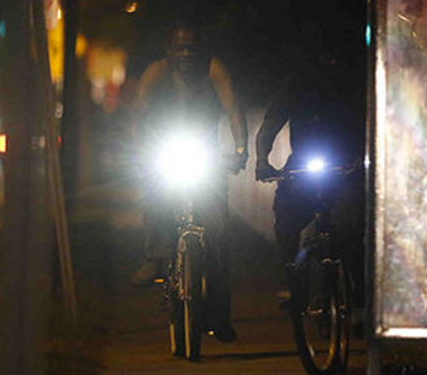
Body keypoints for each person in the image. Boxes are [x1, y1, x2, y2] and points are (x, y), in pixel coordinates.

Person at [129, 22, 248, 343]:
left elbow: (233, 108)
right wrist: (139, 151)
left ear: (201, 50)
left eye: (191, 48)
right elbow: (138, 115)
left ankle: (220, 317)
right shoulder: (156, 73)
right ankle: (155, 256)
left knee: (219, 235)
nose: (185, 54)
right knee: (156, 197)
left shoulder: (213, 70)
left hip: (205, 156)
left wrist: (240, 149)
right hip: (164, 151)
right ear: (169, 51)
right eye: (179, 48)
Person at [254, 30, 366, 306]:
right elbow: (270, 125)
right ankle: (296, 285)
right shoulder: (296, 86)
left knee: (349, 229)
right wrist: (262, 161)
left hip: (346, 169)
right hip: (303, 167)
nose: (328, 63)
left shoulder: (353, 86)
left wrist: (365, 161)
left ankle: (361, 296)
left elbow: (372, 122)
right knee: (286, 221)